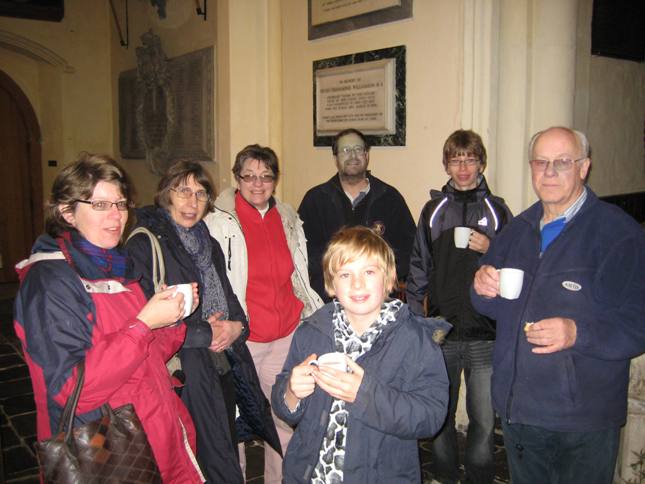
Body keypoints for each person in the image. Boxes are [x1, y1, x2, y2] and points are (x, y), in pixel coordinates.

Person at [13, 153, 204, 483]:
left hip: (156, 432)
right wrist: (143, 324)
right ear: (67, 212)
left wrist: (171, 318)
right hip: (107, 449)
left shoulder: (116, 267)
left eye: (121, 203)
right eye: (100, 205)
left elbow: (145, 356)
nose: (116, 216)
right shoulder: (50, 283)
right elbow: (73, 387)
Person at [472, 127, 645, 484]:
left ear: (584, 168)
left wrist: (578, 333)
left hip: (582, 421)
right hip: (520, 409)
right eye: (541, 162)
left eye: (562, 162)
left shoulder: (619, 234)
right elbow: (486, 302)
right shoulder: (517, 228)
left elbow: (638, 324)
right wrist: (481, 285)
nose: (549, 172)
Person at [126, 160, 281, 484]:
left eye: (200, 194)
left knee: (220, 445)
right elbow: (138, 314)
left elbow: (228, 295)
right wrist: (204, 333)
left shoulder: (206, 241)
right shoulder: (146, 243)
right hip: (182, 369)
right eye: (183, 192)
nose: (192, 202)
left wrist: (239, 325)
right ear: (166, 194)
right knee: (197, 458)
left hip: (220, 363)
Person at [271, 226, 450, 483]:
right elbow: (285, 407)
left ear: (388, 279)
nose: (357, 284)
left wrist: (364, 394)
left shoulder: (415, 341)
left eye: (368, 271)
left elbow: (430, 417)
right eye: (345, 274)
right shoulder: (311, 333)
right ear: (331, 284)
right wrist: (290, 392)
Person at [204, 144, 323, 483]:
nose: (258, 184)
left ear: (275, 179)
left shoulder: (287, 217)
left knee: (285, 420)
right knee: (235, 424)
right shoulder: (218, 221)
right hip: (244, 340)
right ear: (236, 178)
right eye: (249, 176)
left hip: (286, 335)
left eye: (266, 176)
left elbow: (298, 272)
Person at [406, 129, 512, 483]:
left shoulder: (497, 211)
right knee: (440, 413)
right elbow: (419, 266)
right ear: (446, 165)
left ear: (481, 163)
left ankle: (480, 477)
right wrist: (415, 322)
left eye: (469, 159)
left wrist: (491, 248)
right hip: (442, 330)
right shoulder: (434, 210)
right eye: (456, 160)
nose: (463, 167)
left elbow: (514, 265)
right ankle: (446, 474)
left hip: (486, 331)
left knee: (483, 418)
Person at [298, 128, 416, 302]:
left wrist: (382, 277)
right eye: (345, 150)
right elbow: (303, 252)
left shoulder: (389, 198)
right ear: (335, 158)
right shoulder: (315, 199)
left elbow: (409, 249)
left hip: (376, 299)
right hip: (327, 300)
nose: (353, 155)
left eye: (358, 149)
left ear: (367, 155)